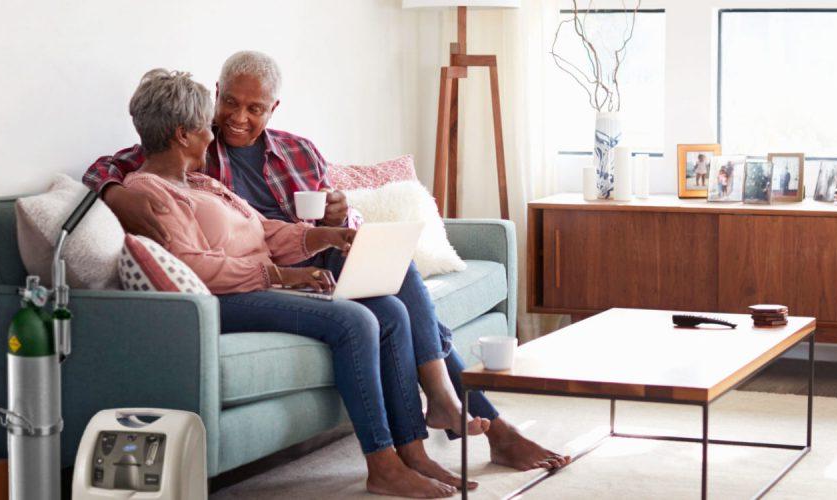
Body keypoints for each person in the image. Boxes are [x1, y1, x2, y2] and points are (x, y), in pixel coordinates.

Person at [84, 51, 569, 479]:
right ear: (214, 100)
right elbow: (120, 164)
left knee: (393, 271)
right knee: (386, 308)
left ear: (273, 109)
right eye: (229, 103)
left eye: (254, 108)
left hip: (311, 250)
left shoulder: (296, 150)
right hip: (264, 269)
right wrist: (113, 191)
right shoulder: (194, 157)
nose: (236, 118)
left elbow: (311, 217)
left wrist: (340, 220)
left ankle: (443, 411)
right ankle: (471, 421)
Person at [119, 68, 484, 497]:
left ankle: (413, 450)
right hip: (226, 299)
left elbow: (266, 231)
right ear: (183, 134)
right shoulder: (150, 193)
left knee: (388, 310)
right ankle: (381, 463)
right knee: (355, 321)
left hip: (258, 285)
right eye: (205, 126)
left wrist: (325, 235)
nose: (211, 134)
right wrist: (277, 274)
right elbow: (193, 264)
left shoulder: (200, 183)